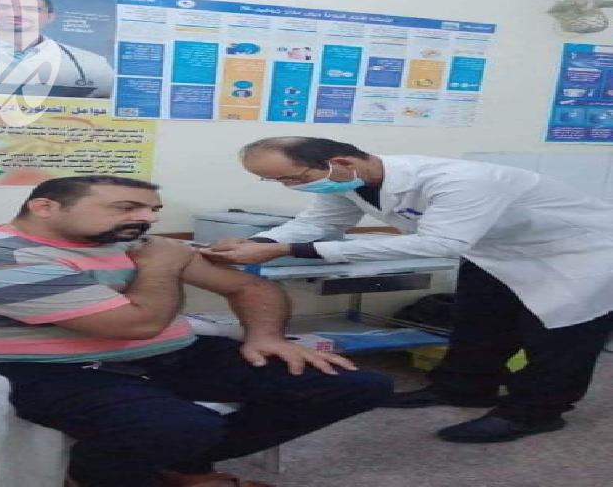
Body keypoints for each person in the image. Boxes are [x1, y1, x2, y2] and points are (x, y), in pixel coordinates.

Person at [0, 175, 393, 487]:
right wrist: (162, 266)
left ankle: (170, 462)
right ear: (45, 207)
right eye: (126, 207)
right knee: (181, 425)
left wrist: (267, 337)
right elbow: (137, 324)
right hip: (14, 368)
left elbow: (248, 287)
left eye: (152, 209)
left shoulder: (127, 242)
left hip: (144, 353)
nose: (146, 218)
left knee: (355, 384)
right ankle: (105, 471)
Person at [201, 136, 613, 443]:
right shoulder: (349, 183)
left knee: (559, 336)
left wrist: (291, 250)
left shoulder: (460, 180)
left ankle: (535, 411)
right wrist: (258, 241)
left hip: (579, 252)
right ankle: (462, 388)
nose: (290, 187)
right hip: (496, 252)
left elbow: (440, 244)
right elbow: (317, 224)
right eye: (278, 182)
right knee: (478, 325)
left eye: (294, 178)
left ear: (340, 162)